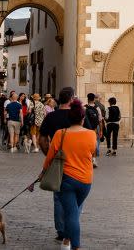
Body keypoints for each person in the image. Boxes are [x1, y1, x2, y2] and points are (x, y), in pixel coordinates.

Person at [42, 99, 95, 250]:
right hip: (86, 181)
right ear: (83, 119)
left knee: (71, 213)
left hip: (66, 180)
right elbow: (94, 152)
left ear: (69, 119)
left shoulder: (60, 134)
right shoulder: (91, 134)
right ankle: (66, 239)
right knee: (74, 210)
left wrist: (43, 172)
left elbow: (50, 157)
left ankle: (75, 246)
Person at [39, 87, 74, 243]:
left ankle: (61, 230)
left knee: (58, 197)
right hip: (76, 161)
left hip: (57, 161)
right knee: (75, 196)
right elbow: (89, 134)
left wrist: (49, 155)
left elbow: (42, 139)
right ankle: (71, 228)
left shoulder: (51, 117)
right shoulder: (77, 116)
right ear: (72, 99)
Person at [84, 93, 103, 167]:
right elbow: (100, 120)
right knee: (94, 143)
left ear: (88, 98)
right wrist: (101, 130)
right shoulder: (97, 108)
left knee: (86, 144)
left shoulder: (84, 108)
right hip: (94, 129)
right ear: (94, 99)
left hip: (86, 129)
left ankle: (87, 159)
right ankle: (94, 159)